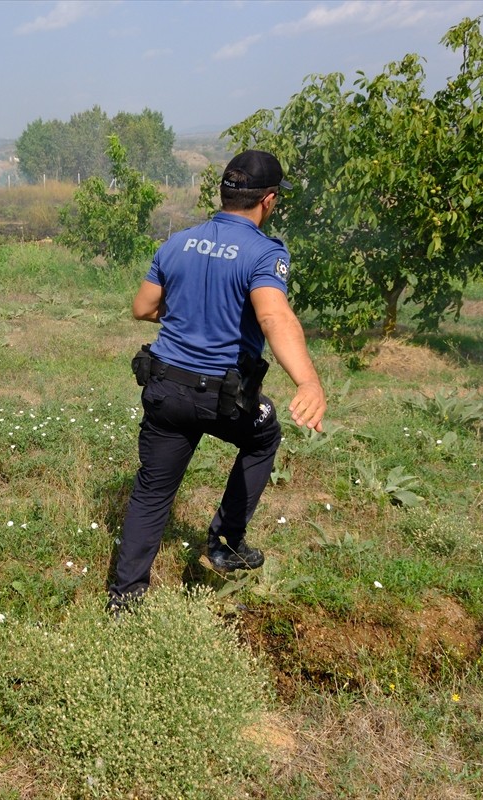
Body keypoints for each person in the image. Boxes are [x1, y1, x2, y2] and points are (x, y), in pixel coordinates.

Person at [108, 150, 326, 612]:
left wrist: (189, 314)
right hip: (222, 398)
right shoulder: (265, 252)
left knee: (152, 491)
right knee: (264, 433)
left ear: (226, 193)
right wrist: (308, 382)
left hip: (165, 388)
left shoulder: (178, 242)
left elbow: (143, 308)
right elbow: (273, 315)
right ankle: (225, 544)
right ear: (268, 200)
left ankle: (124, 600)